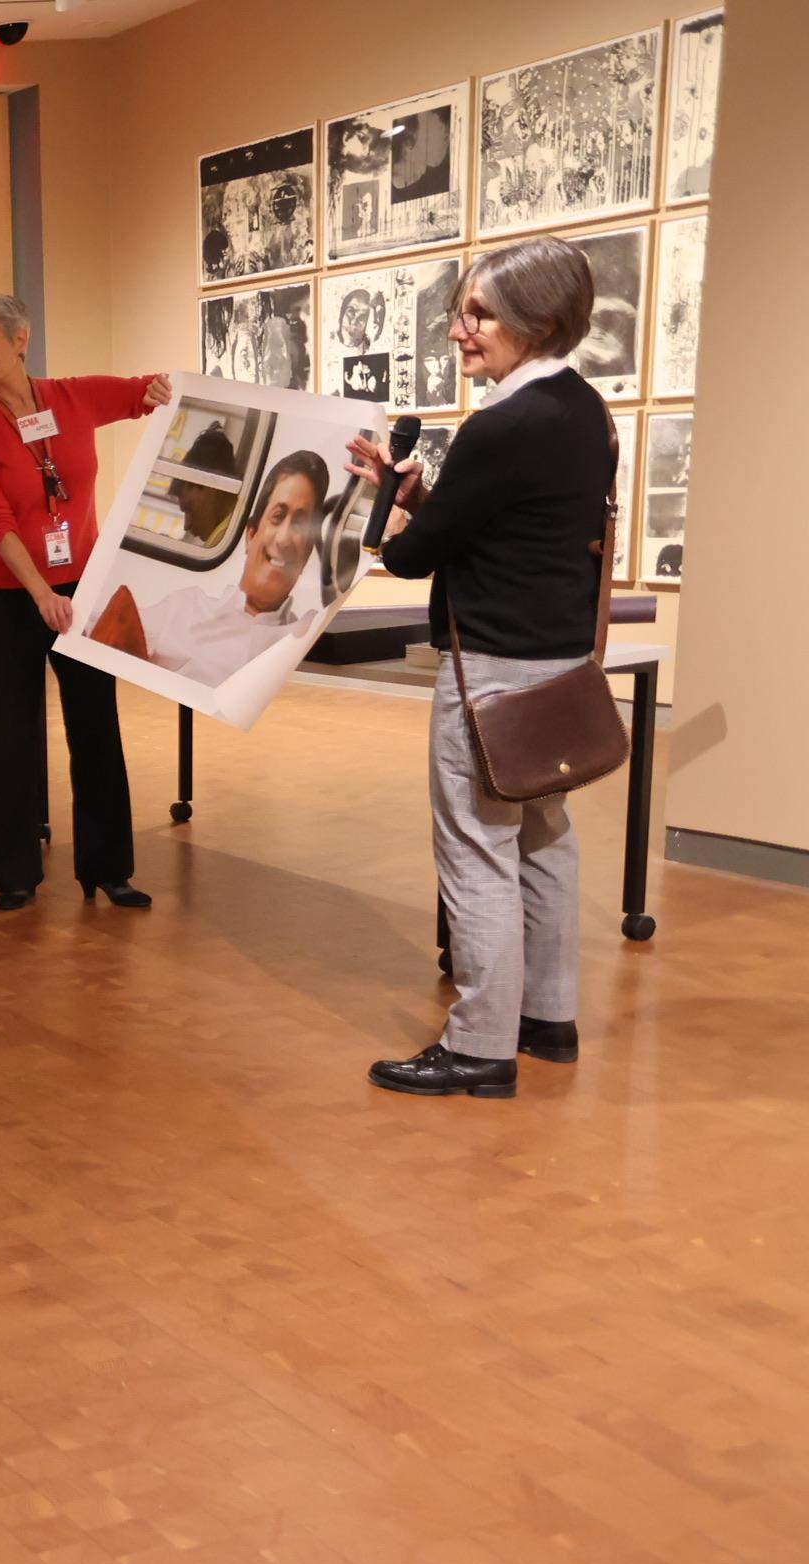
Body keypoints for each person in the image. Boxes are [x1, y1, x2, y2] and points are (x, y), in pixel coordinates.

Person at [349, 237, 615, 1099]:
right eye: (462, 311)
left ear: (535, 322)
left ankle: (480, 1046)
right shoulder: (582, 411)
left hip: (492, 673)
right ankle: (548, 1017)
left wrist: (391, 511)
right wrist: (432, 500)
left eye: (479, 314)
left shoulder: (502, 424)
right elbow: (504, 526)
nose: (459, 330)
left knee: (475, 850)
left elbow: (418, 558)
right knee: (543, 839)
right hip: (559, 667)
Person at [0, 292, 168, 912]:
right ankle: (15, 872)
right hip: (7, 596)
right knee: (14, 731)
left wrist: (167, 394)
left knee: (96, 724)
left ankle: (109, 868)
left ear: (21, 339)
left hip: (83, 588)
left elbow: (142, 392)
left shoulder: (73, 398)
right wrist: (41, 592)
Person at [89, 451, 328, 690]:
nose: (284, 538)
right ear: (251, 534)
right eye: (278, 516)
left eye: (299, 523)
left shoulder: (307, 634)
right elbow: (100, 629)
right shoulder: (186, 609)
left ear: (307, 552)